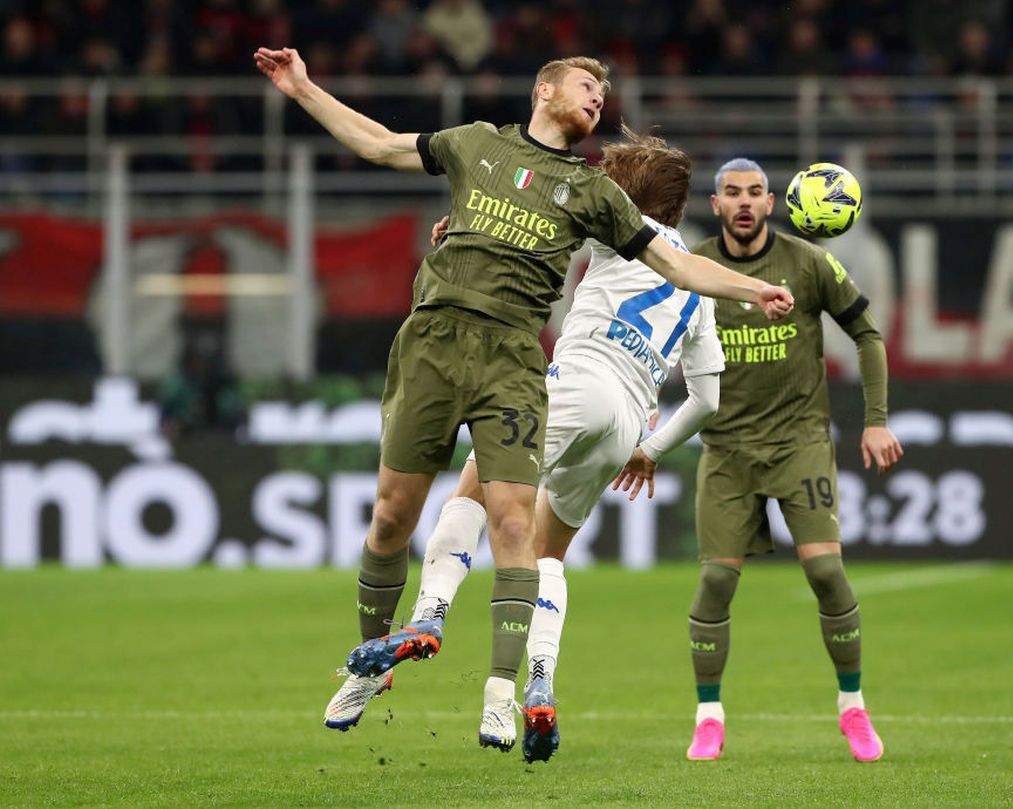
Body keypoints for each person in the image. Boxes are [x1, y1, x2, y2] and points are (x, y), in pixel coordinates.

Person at [252, 48, 794, 752]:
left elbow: (674, 261)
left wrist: (755, 286)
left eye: (604, 92)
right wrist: (302, 89)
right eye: (586, 84)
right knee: (393, 516)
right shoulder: (475, 144)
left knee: (505, 518)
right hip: (444, 345)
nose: (598, 98)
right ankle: (380, 666)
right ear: (543, 89)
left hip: (517, 357)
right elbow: (379, 144)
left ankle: (484, 680)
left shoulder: (597, 195)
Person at [404, 125, 725, 763]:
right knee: (549, 547)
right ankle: (541, 682)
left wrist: (460, 236)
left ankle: (429, 615)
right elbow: (709, 401)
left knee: (475, 483)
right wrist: (651, 450)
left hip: (575, 382)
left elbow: (528, 231)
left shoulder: (615, 233)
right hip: (628, 421)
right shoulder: (698, 283)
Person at [683, 158, 903, 763]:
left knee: (827, 574)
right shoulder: (692, 265)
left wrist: (876, 420)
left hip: (799, 443)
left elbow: (867, 334)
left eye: (755, 192)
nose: (745, 202)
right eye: (733, 193)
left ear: (773, 202)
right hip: (726, 448)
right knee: (715, 581)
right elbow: (651, 331)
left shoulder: (807, 263)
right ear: (718, 203)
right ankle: (708, 717)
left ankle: (853, 708)